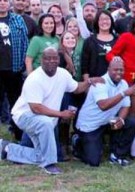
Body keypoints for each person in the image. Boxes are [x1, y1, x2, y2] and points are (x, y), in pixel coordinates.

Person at [0, 47, 103, 175]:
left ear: (59, 60)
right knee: (46, 124)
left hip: (44, 119)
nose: (51, 61)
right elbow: (35, 108)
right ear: (41, 60)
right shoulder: (34, 78)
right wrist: (61, 114)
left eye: (54, 58)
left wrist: (88, 82)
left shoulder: (63, 74)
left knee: (41, 153)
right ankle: (49, 164)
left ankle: (7, 149)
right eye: (47, 58)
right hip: (24, 116)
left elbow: (76, 88)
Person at [74, 58, 135, 166]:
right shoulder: (100, 82)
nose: (119, 72)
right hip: (90, 125)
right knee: (93, 162)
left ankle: (117, 155)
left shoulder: (123, 83)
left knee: (132, 122)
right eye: (115, 70)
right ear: (108, 69)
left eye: (121, 70)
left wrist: (121, 119)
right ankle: (77, 142)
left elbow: (125, 106)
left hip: (108, 121)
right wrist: (124, 93)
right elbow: (103, 106)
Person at [0, 0, 29, 140]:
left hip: (14, 68)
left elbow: (25, 42)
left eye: (5, 0)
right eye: (0, 0)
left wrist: (24, 64)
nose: (2, 2)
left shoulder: (17, 19)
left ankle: (18, 133)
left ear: (9, 3)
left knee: (16, 103)